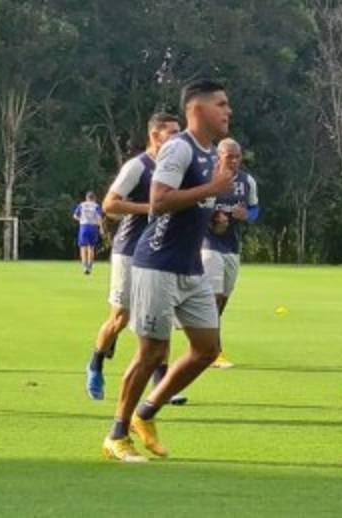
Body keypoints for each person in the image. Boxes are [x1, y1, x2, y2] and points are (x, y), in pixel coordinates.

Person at [101, 79, 234, 462]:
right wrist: (212, 187)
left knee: (207, 349)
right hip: (156, 264)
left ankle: (146, 414)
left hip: (190, 267)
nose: (228, 111)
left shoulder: (211, 154)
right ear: (198, 109)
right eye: (221, 104)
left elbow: (194, 206)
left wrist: (216, 218)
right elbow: (159, 201)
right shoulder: (179, 148)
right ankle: (117, 434)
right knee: (152, 352)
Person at [86, 113, 180, 400]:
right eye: (173, 133)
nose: (179, 138)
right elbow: (110, 204)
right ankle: (96, 362)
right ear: (155, 136)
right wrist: (149, 207)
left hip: (160, 253)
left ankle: (161, 385)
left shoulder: (179, 167)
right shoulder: (138, 166)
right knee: (120, 318)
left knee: (161, 318)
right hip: (129, 251)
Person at [201, 138, 259, 369]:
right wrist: (213, 219)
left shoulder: (247, 181)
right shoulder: (207, 178)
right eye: (229, 157)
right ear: (219, 156)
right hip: (207, 244)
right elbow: (194, 208)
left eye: (237, 157)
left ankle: (202, 337)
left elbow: (254, 209)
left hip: (232, 247)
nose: (234, 161)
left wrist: (246, 216)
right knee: (213, 297)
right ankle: (214, 351)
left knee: (222, 299)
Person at [74, 192, 104, 274]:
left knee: (83, 248)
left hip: (84, 227)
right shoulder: (96, 206)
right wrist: (101, 228)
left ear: (86, 198)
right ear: (94, 198)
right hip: (93, 227)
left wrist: (81, 219)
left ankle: (84, 267)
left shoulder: (82, 205)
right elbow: (99, 218)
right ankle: (90, 267)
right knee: (91, 248)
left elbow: (75, 216)